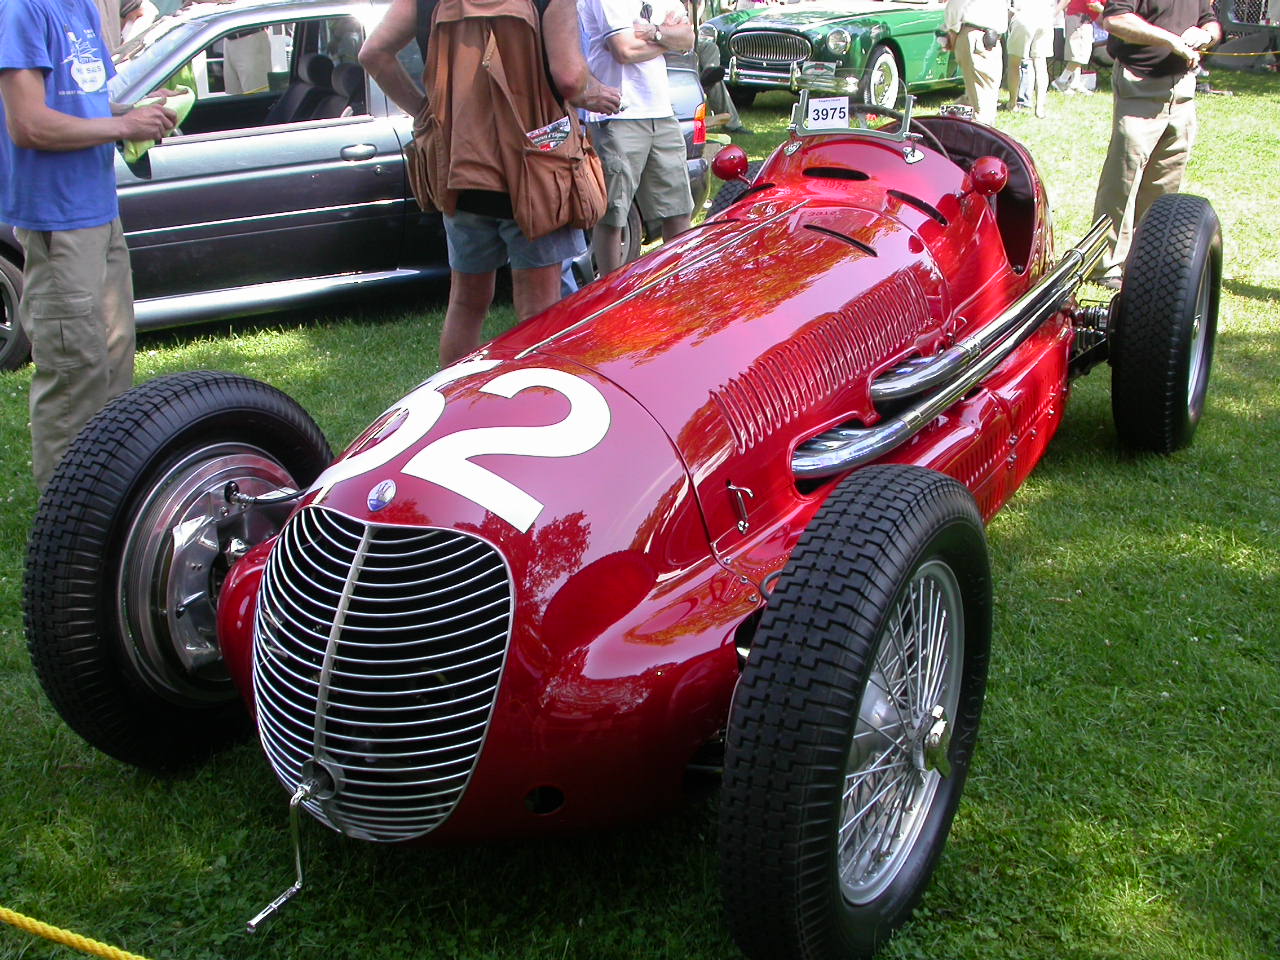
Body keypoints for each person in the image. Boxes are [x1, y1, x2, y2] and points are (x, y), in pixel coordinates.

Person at [360, 0, 621, 366]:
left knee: (466, 302)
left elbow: (373, 53)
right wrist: (596, 91)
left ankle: (457, 405)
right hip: (537, 168)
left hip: (462, 171)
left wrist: (424, 110)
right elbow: (570, 79)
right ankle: (538, 406)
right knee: (538, 310)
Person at [0, 0, 176, 490]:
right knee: (73, 374)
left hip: (100, 211)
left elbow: (84, 101)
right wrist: (122, 126)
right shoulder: (22, 10)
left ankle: (108, 495)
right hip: (56, 217)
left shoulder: (79, 7)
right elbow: (28, 124)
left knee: (113, 363)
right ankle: (67, 514)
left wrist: (135, 112)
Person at [1088, 0, 1220, 287]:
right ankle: (1106, 263)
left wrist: (1205, 34)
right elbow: (1115, 20)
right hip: (1139, 84)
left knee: (1166, 182)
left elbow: (1211, 21)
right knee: (1124, 178)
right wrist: (1170, 40)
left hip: (1183, 88)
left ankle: (1147, 259)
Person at [579, 0, 696, 274]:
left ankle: (678, 289)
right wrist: (668, 36)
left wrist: (653, 33)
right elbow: (624, 49)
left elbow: (688, 37)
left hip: (662, 112)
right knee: (613, 215)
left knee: (678, 210)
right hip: (618, 113)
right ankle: (611, 295)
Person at [944, 0, 1008, 124]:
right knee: (982, 103)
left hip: (988, 38)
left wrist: (952, 32)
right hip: (977, 35)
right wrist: (952, 31)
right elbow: (955, 6)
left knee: (980, 97)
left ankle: (944, 125)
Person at [1006, 0, 1059, 116]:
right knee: (1041, 64)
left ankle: (1012, 102)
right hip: (1045, 17)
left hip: (1023, 15)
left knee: (1014, 63)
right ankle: (1040, 107)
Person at [1054, 0, 1104, 93]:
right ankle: (1061, 80)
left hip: (1082, 19)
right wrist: (1110, 12)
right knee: (1079, 54)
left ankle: (1075, 83)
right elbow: (1093, 4)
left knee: (1079, 52)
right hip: (1079, 19)